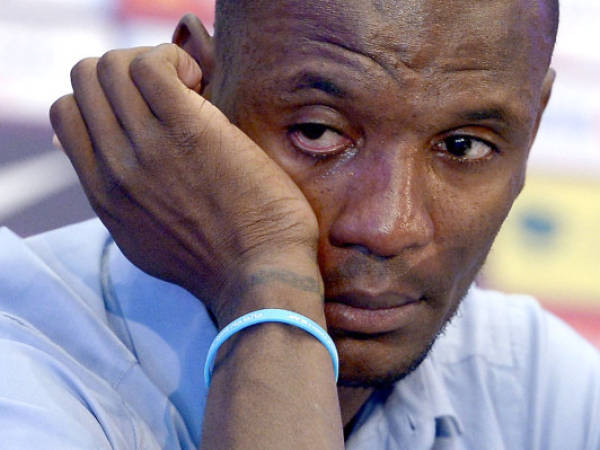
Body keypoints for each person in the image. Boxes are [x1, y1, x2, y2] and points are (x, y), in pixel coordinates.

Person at [1, 0, 598, 448]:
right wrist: (267, 278)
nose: (387, 226)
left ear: (536, 126)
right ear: (196, 86)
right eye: (317, 133)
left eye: (464, 146)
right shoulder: (21, 363)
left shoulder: (535, 386)